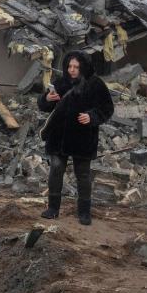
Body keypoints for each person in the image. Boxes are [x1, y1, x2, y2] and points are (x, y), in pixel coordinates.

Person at [37, 51, 114, 224]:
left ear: (83, 67)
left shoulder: (96, 84)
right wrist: (47, 98)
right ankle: (53, 208)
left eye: (76, 67)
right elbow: (43, 105)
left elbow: (107, 108)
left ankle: (84, 213)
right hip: (58, 136)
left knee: (83, 174)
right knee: (56, 169)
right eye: (69, 66)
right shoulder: (60, 82)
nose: (72, 70)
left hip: (83, 138)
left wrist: (92, 117)